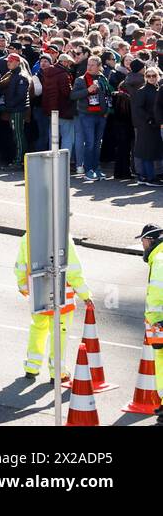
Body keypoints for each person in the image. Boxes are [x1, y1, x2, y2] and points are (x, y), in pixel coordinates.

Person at [14, 231, 92, 381]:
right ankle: (57, 373)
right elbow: (73, 272)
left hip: (38, 296)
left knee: (37, 330)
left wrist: (25, 288)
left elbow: (21, 267)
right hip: (62, 299)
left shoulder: (28, 236)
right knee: (59, 335)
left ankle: (32, 367)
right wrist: (86, 295)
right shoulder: (63, 238)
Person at [71, 55, 112, 181]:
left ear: (99, 67)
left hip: (101, 115)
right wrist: (88, 90)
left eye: (92, 65)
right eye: (88, 64)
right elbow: (72, 96)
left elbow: (107, 95)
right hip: (87, 115)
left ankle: (96, 168)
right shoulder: (80, 80)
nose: (89, 67)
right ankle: (88, 169)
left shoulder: (103, 78)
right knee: (89, 143)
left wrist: (107, 111)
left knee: (97, 144)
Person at [137, 224, 163, 421]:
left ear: (150, 240)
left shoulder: (160, 260)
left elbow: (156, 295)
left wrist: (155, 324)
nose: (142, 245)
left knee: (161, 362)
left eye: (143, 241)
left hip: (160, 323)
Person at [0, 53, 30, 168]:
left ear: (17, 62)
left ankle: (19, 161)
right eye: (8, 61)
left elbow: (20, 96)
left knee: (18, 135)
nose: (8, 63)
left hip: (18, 109)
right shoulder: (12, 74)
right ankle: (18, 159)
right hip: (14, 108)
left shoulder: (21, 76)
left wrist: (8, 106)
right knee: (16, 135)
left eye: (11, 61)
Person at [130, 68, 163, 185]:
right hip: (146, 125)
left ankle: (150, 175)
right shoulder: (142, 91)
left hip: (156, 124)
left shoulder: (158, 89)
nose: (151, 78)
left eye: (154, 75)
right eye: (148, 76)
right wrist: (149, 119)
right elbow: (138, 108)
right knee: (146, 151)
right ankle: (149, 177)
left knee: (154, 151)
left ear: (158, 76)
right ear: (145, 77)